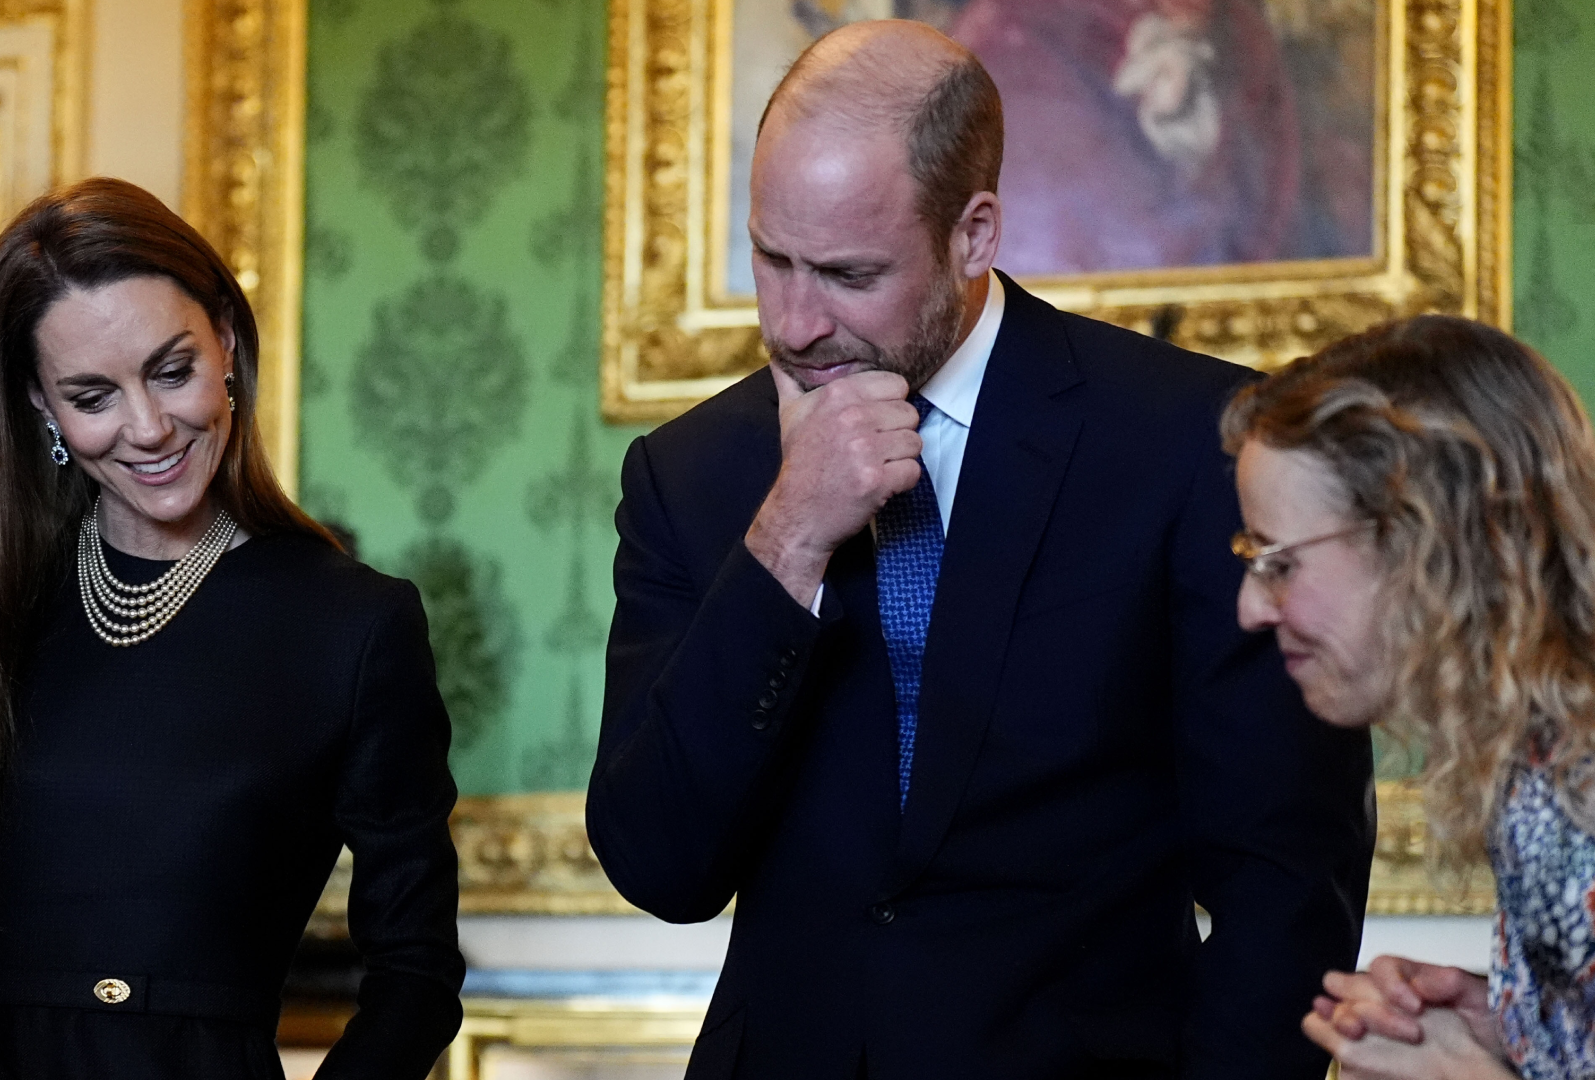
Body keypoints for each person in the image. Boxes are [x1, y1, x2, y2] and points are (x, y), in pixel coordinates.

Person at [586, 19, 1374, 1080]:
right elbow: (657, 864)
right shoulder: (690, 474)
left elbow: (1284, 870)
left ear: (974, 235)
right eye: (772, 260)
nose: (796, 321)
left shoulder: (1186, 442)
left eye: (848, 273)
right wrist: (788, 540)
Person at [0, 178, 463, 1080]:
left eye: (172, 369)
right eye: (92, 394)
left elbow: (417, 975)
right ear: (41, 405)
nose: (149, 428)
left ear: (226, 340)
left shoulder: (353, 623)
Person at [1225, 315, 1595, 1080]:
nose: (1251, 608)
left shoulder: (1574, 783)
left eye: (1278, 562)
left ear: (1420, 541)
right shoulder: (1538, 743)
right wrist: (1519, 1021)